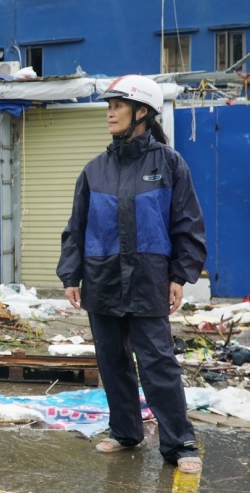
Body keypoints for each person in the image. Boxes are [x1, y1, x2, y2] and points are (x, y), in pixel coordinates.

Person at [56, 75, 207, 474]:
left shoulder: (169, 164)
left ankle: (180, 443)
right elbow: (76, 226)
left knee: (158, 362)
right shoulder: (94, 170)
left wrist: (180, 275)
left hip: (148, 278)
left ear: (142, 112)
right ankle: (126, 431)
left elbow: (187, 224)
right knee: (112, 361)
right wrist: (71, 276)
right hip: (101, 277)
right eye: (109, 105)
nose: (110, 112)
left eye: (118, 105)